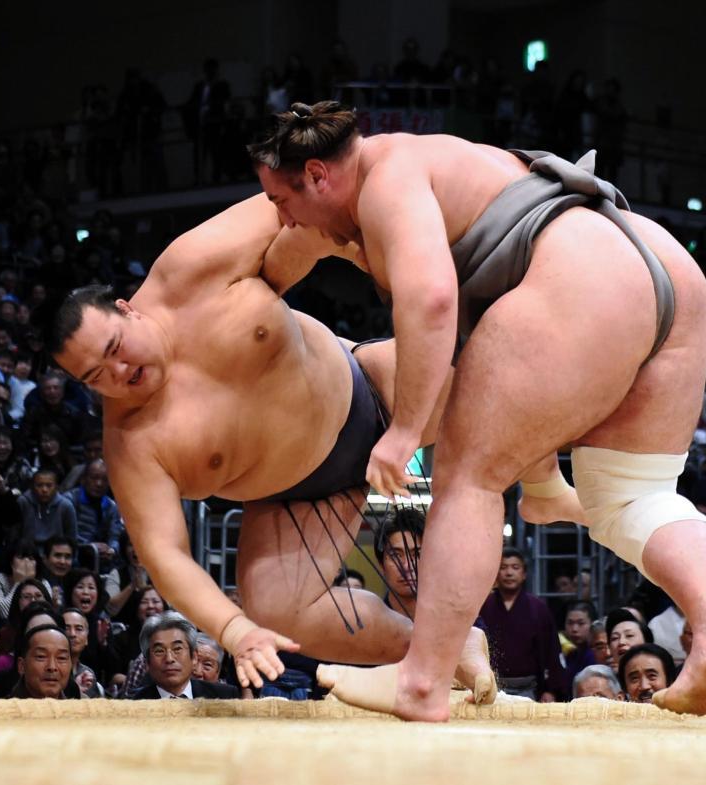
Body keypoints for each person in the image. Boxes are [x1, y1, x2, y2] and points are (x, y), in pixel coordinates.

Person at [250, 100, 706, 718]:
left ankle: (423, 682)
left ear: (320, 175)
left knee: (468, 476)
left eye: (280, 199)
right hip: (659, 261)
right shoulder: (421, 170)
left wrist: (405, 432)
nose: (279, 214)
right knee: (633, 497)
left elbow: (433, 302)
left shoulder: (388, 180)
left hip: (580, 274)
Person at [49, 194, 493, 701]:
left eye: (114, 349)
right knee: (278, 611)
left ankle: (558, 483)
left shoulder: (189, 268)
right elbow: (164, 555)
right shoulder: (130, 441)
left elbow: (301, 208)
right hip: (295, 501)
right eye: (96, 377)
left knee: (508, 379)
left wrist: (362, 254)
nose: (120, 374)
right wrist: (234, 630)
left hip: (373, 389)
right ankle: (440, 647)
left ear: (126, 309)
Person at [478, 547, 565, 700]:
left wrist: (550, 689)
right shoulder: (483, 606)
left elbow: (551, 651)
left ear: (524, 574)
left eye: (515, 567)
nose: (509, 573)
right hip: (491, 688)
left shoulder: (538, 608)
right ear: (496, 574)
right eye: (503, 568)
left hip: (530, 688)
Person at [130, 611, 239, 700]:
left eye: (177, 649)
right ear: (147, 662)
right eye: (159, 651)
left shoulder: (225, 697)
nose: (169, 659)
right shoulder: (133, 707)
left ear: (194, 657)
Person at [12, 624, 79, 699]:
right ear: (22, 666)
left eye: (61, 658)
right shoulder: (2, 709)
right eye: (41, 656)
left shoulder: (79, 709)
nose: (52, 667)